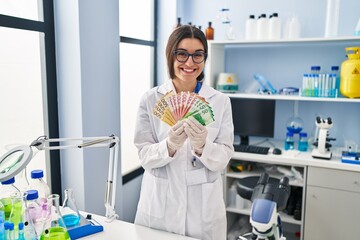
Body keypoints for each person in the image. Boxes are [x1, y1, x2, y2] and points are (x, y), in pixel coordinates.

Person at [133, 25, 234, 240]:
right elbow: (144, 156)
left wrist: (202, 146)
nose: (190, 63)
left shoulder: (220, 102)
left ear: (205, 58)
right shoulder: (151, 100)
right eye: (182, 54)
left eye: (198, 55)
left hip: (204, 212)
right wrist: (168, 146)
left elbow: (224, 157)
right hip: (160, 208)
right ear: (170, 55)